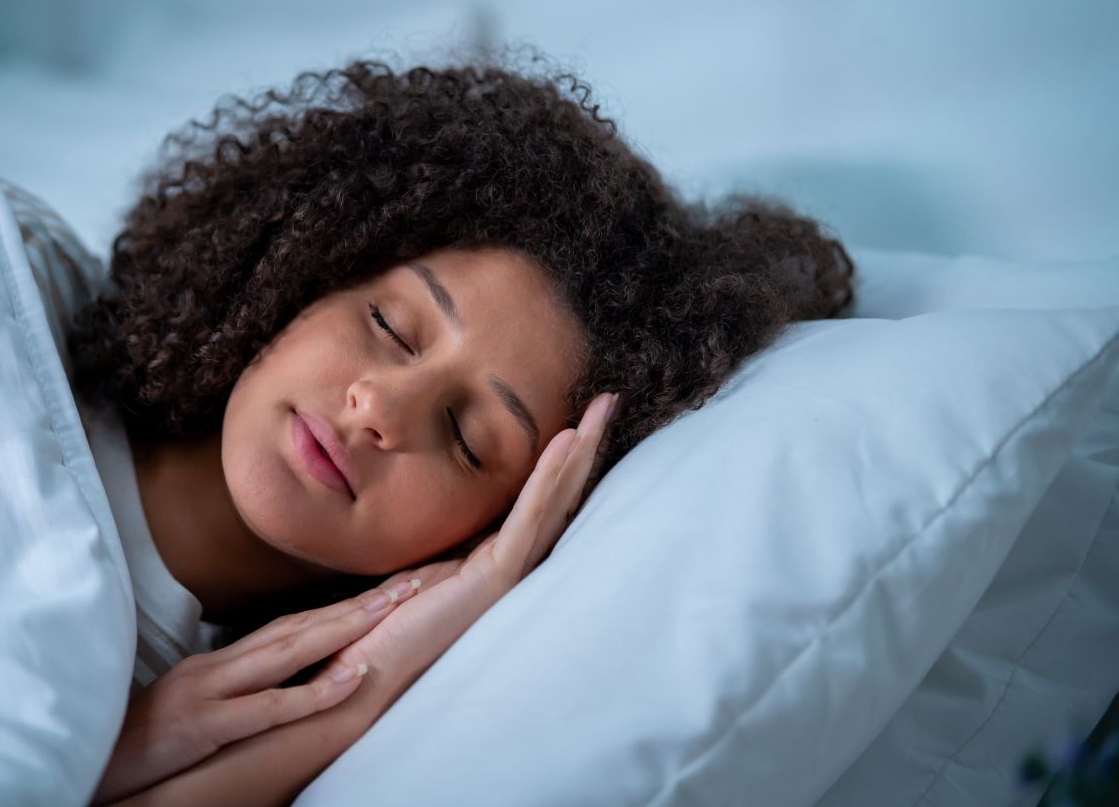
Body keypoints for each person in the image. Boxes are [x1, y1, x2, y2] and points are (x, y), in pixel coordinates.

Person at [66, 50, 855, 804]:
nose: (378, 410)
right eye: (391, 325)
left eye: (470, 442)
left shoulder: (210, 712)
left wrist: (360, 687)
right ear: (311, 268)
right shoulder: (5, 307)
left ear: (490, 527)